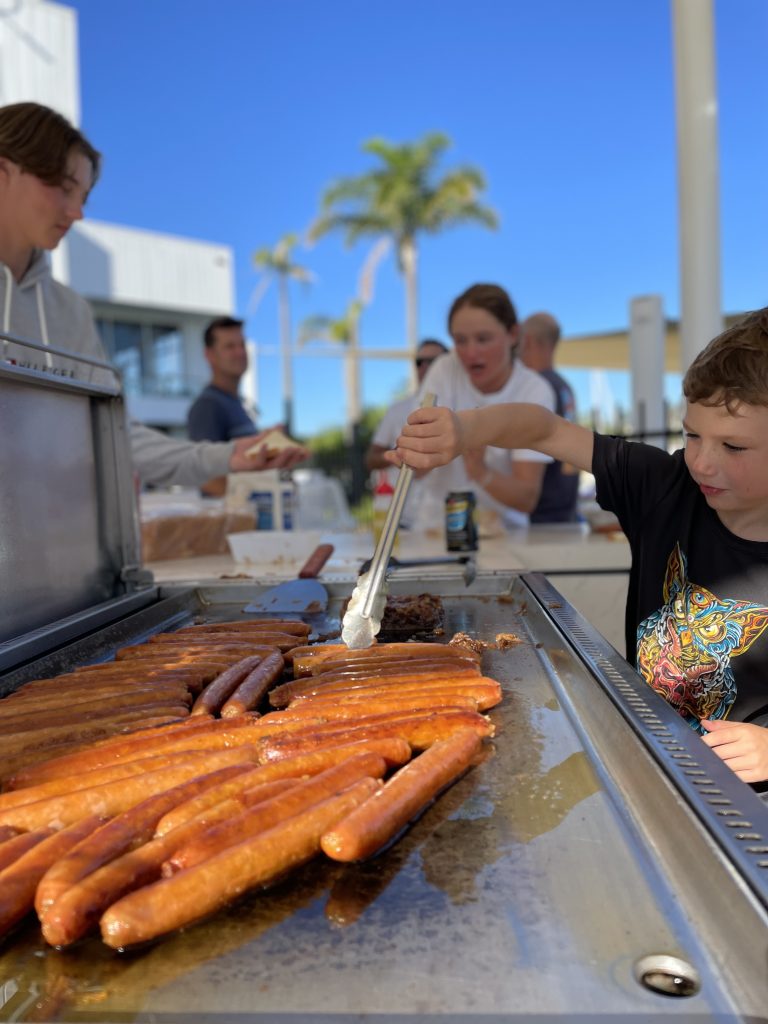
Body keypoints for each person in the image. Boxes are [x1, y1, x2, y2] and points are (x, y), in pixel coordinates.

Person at [387, 308, 768, 786]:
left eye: (733, 447)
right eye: (692, 435)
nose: (703, 463)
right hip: (646, 760)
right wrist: (466, 431)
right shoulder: (664, 486)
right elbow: (544, 430)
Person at [0, 101, 307, 489]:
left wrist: (227, 456)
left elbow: (115, 435)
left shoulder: (69, 311)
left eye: (84, 197)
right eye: (63, 189)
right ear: (4, 171)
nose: (77, 213)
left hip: (52, 541)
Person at [412, 283, 555, 531]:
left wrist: (479, 470)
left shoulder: (534, 391)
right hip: (435, 531)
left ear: (513, 334)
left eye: (483, 339)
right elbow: (414, 467)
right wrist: (416, 453)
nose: (470, 352)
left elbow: (527, 498)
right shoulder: (444, 369)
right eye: (460, 340)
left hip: (506, 537)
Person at [519, 312, 580, 523]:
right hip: (565, 506)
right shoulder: (564, 387)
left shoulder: (536, 389)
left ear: (525, 341)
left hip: (540, 513)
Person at [365, 338, 448, 473]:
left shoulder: (466, 406)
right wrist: (399, 454)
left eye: (433, 362)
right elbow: (371, 459)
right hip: (411, 492)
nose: (425, 367)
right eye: (419, 362)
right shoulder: (397, 409)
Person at [187, 317, 258, 443]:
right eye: (230, 346)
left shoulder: (234, 403)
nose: (240, 352)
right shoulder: (208, 406)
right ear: (210, 355)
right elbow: (206, 462)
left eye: (242, 344)